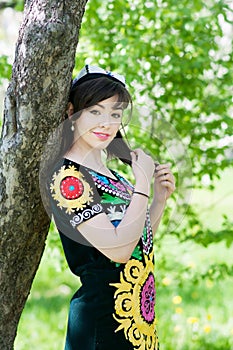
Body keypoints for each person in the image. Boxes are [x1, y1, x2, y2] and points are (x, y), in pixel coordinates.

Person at [47, 65, 175, 350]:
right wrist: (141, 181)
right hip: (101, 326)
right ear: (72, 112)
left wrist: (158, 199)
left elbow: (137, 239)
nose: (106, 123)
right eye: (95, 111)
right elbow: (117, 251)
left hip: (135, 322)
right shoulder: (68, 177)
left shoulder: (109, 173)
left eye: (115, 113)